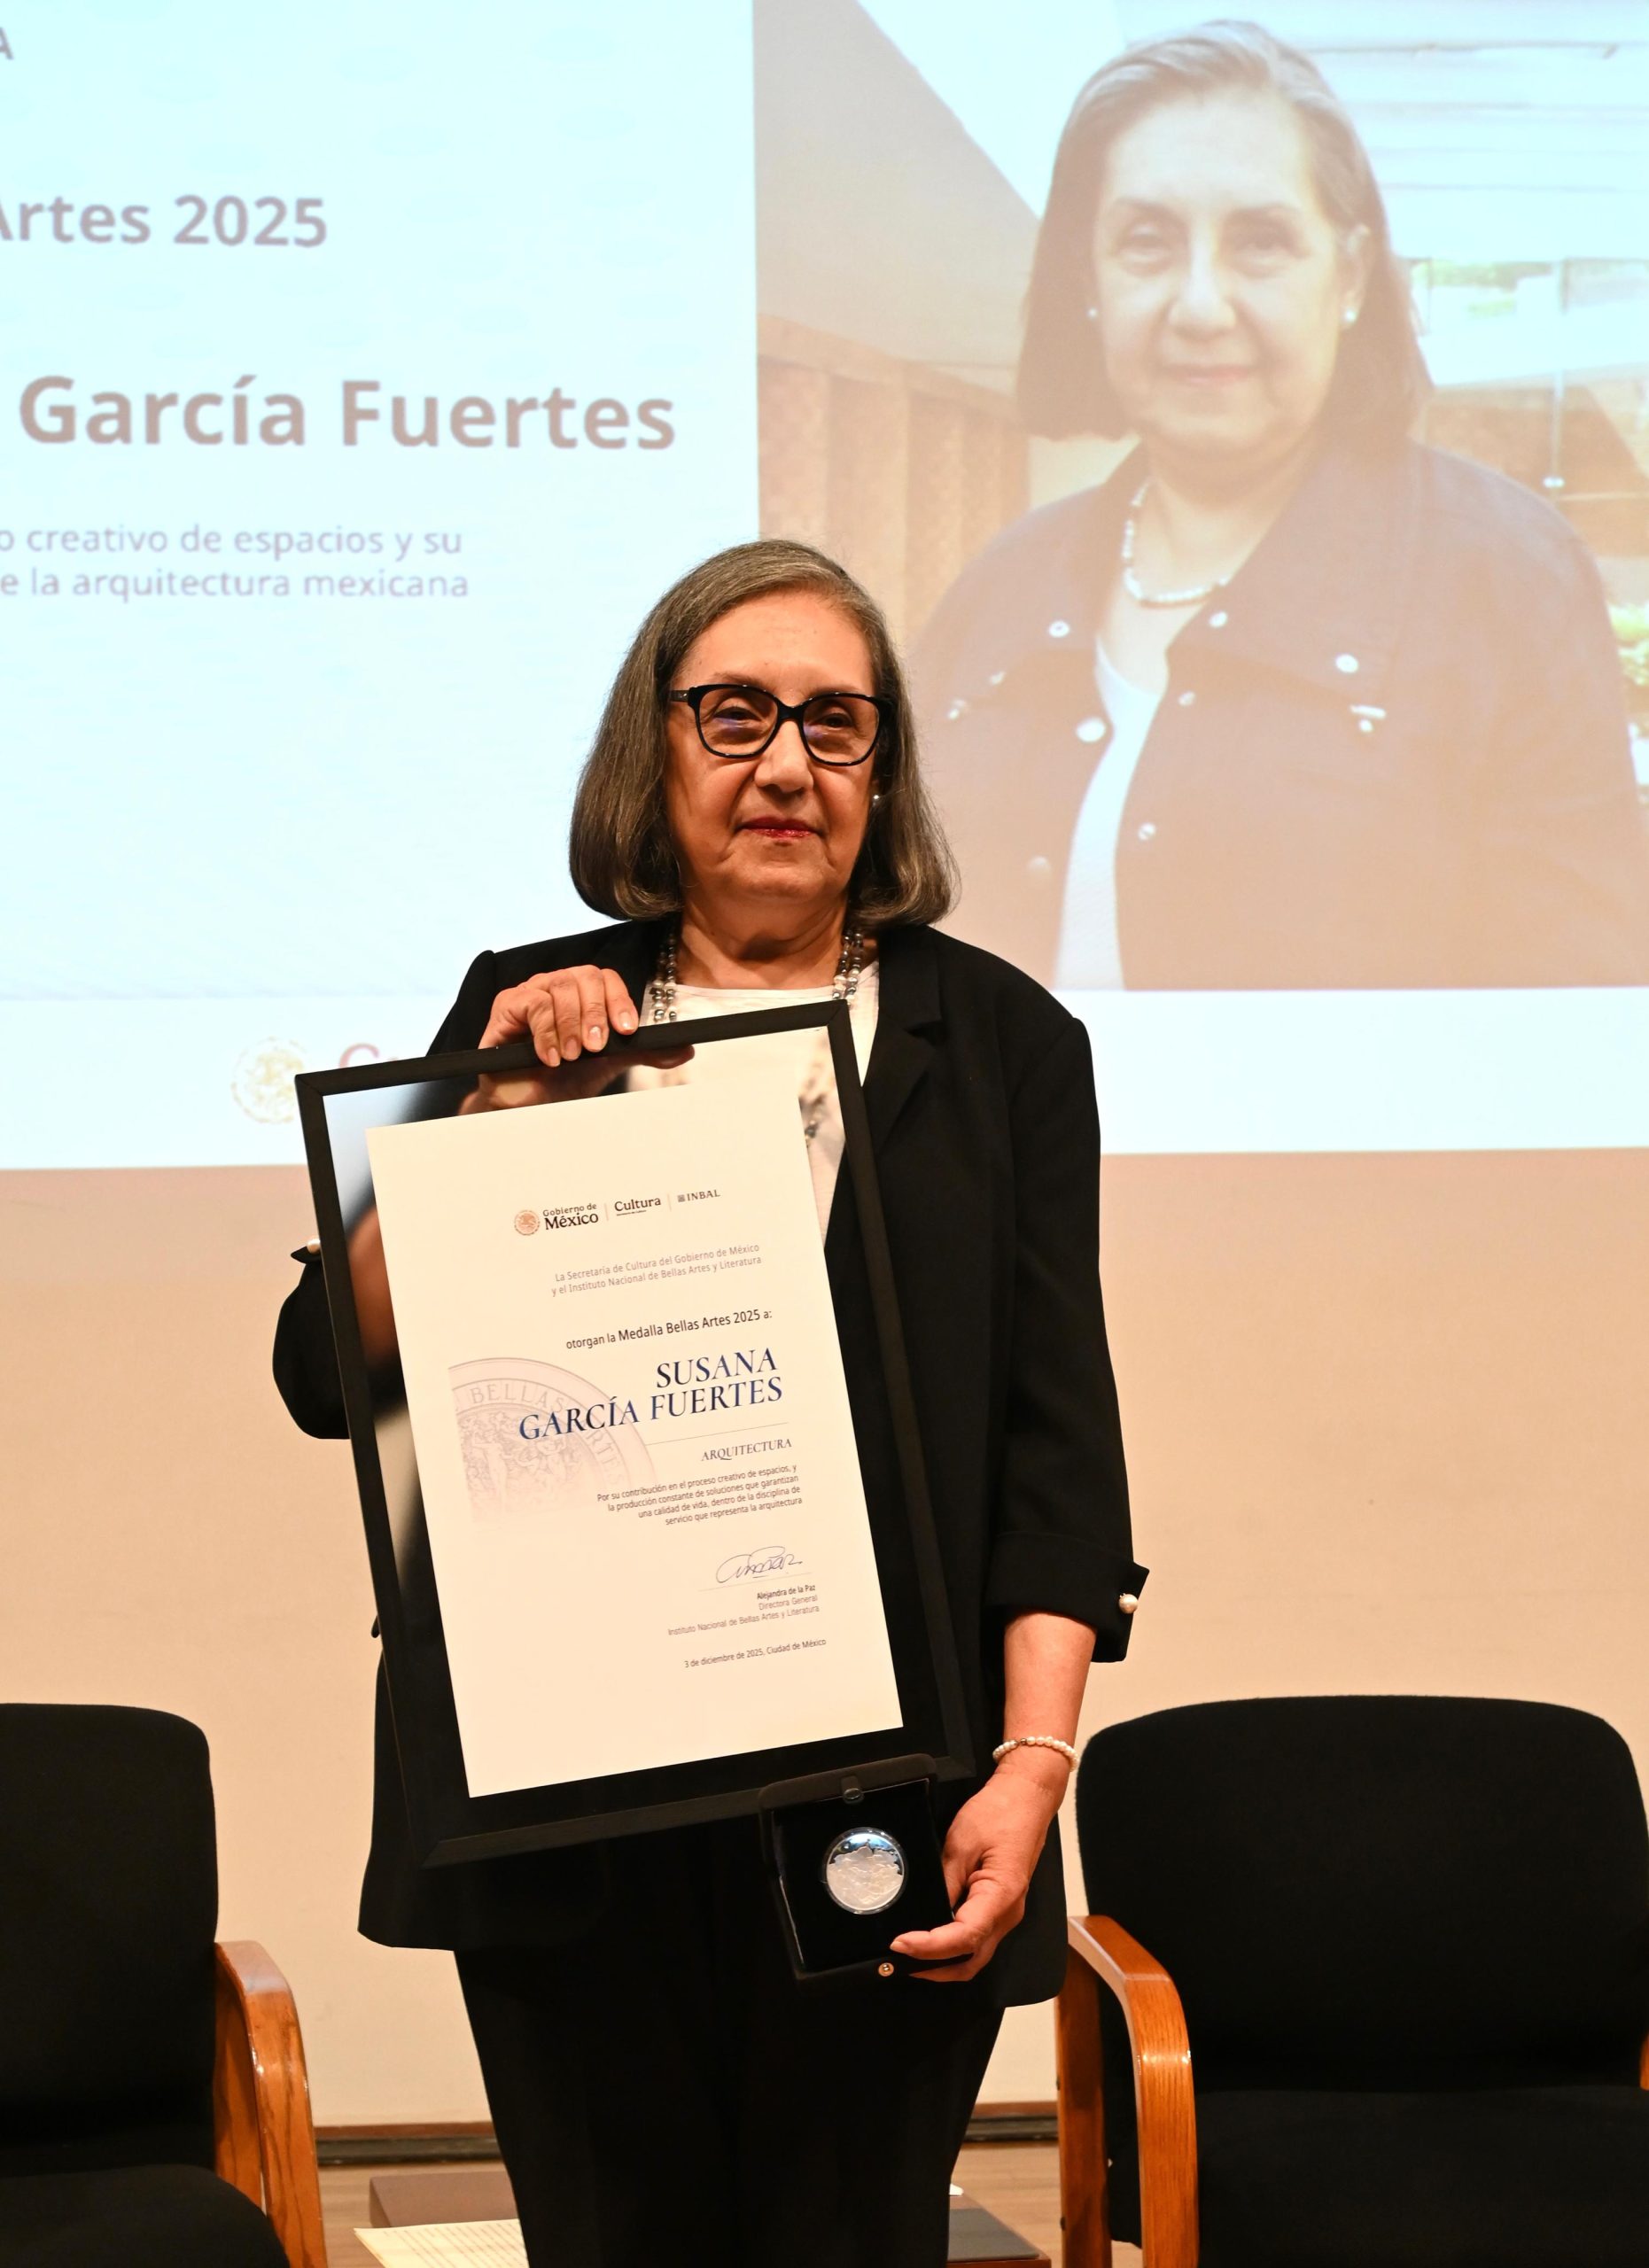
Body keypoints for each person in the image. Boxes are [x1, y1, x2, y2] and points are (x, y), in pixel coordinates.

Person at [274, 537, 1144, 2268]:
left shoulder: (1008, 1047)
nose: (784, 765)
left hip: (892, 1789)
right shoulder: (529, 1013)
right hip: (569, 1800)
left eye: (835, 722)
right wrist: (491, 1108)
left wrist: (1031, 1765)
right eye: (733, 712)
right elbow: (330, 1370)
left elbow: (1059, 1446)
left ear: (883, 768)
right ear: (652, 752)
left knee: (855, 2235)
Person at [915, 19, 1649, 990]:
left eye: (1260, 242)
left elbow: (1575, 1018)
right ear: (1087, 280)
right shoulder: (997, 592)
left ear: (1346, 276)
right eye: (1146, 243)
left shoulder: (1504, 576)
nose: (1201, 303)